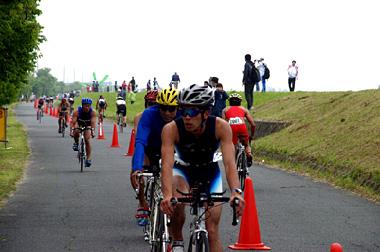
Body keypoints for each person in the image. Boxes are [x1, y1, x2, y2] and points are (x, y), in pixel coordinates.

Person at [160, 84, 245, 252]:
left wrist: (236, 191)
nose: (186, 117)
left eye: (191, 112)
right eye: (183, 111)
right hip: (182, 171)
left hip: (209, 171)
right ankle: (177, 241)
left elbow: (229, 163)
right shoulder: (171, 129)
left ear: (206, 113)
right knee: (176, 204)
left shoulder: (221, 127)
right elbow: (167, 165)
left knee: (212, 230)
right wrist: (167, 195)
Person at [130, 87, 178, 226]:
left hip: (171, 149)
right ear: (158, 106)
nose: (167, 113)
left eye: (171, 109)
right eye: (163, 108)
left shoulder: (182, 115)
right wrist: (137, 168)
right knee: (137, 171)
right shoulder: (148, 114)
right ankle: (142, 202)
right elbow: (140, 142)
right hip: (150, 148)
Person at [222, 93, 256, 167]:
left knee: (233, 147)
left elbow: (223, 124)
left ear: (229, 102)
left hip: (232, 128)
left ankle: (234, 165)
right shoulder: (243, 109)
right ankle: (249, 154)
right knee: (246, 144)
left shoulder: (225, 110)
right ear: (240, 102)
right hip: (242, 127)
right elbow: (253, 124)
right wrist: (251, 136)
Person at [70, 98, 96, 167]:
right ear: (82, 105)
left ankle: (88, 158)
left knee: (87, 139)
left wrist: (93, 132)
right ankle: (76, 143)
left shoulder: (92, 112)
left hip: (87, 125)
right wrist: (71, 131)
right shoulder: (77, 112)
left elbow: (93, 123)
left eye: (88, 106)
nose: (87, 107)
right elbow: (73, 122)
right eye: (85, 105)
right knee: (76, 131)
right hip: (79, 123)